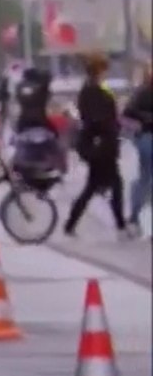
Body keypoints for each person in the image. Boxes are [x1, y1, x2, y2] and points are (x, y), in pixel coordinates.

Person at [62, 52, 128, 239]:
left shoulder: (93, 88)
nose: (105, 73)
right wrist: (112, 125)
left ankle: (70, 223)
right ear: (98, 70)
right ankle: (121, 226)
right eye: (104, 69)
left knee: (93, 187)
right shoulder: (92, 91)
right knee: (114, 185)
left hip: (99, 145)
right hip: (101, 146)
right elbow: (97, 119)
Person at [123, 63, 152, 239]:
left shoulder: (142, 91)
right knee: (146, 179)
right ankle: (135, 217)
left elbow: (129, 111)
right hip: (148, 137)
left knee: (144, 179)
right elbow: (129, 112)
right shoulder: (144, 92)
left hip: (146, 137)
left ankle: (135, 218)